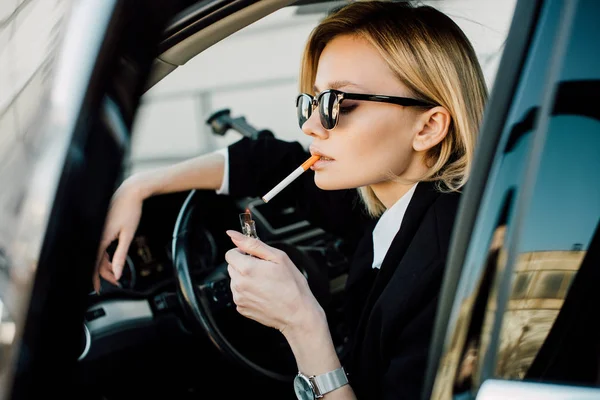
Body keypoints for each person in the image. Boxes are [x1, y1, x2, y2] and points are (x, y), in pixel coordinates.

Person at [95, 1, 487, 399]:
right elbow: (269, 161)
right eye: (313, 102)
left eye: (341, 104)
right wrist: (138, 186)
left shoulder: (447, 266)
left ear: (428, 127)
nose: (311, 125)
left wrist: (300, 322)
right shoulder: (391, 202)